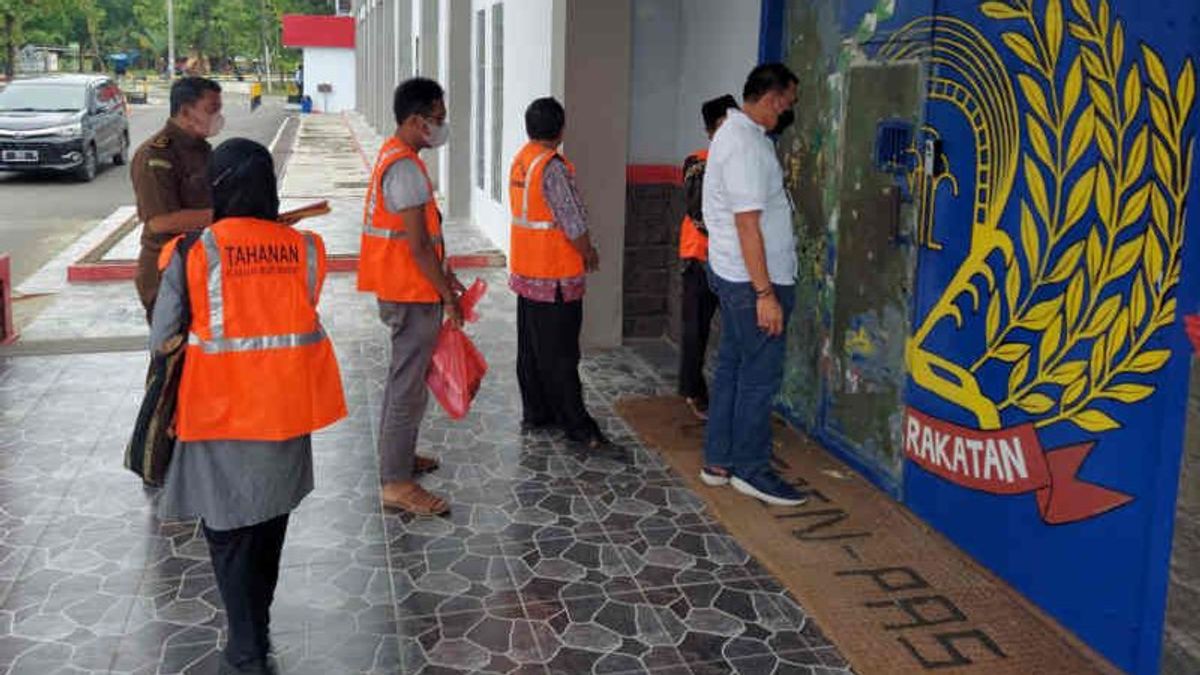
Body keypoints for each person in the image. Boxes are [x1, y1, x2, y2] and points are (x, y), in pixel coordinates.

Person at [151, 138, 347, 674]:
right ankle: (255, 632)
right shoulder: (306, 249)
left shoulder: (195, 251)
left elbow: (161, 338)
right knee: (267, 532)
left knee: (230, 536)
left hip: (218, 418)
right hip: (285, 414)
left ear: (218, 185)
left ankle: (245, 649)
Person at [700, 63, 806, 506]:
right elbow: (748, 226)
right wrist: (765, 295)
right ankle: (751, 468)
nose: (788, 111)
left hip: (737, 276)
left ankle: (719, 460)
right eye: (789, 101)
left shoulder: (736, 134)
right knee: (759, 377)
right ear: (771, 97)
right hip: (751, 283)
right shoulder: (744, 145)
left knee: (734, 368)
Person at [358, 77, 462, 516]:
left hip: (409, 285)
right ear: (417, 121)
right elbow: (416, 246)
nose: (442, 126)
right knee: (407, 387)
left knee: (406, 382)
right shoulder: (403, 166)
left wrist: (446, 274)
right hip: (410, 291)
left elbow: (424, 241)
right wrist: (447, 296)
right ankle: (396, 483)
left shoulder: (398, 157)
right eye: (438, 119)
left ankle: (398, 461)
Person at [509, 97, 608, 449]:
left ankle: (537, 411)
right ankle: (578, 426)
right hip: (554, 279)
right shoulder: (551, 167)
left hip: (528, 274)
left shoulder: (523, 161)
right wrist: (589, 252)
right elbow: (572, 222)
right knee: (562, 355)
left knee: (532, 351)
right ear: (561, 130)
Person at [131, 76, 223, 321]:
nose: (218, 117)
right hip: (167, 274)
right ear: (185, 111)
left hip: (198, 267)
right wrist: (229, 214)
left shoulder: (201, 149)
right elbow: (160, 222)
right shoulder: (157, 155)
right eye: (211, 110)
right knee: (172, 355)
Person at [678, 94, 739, 420]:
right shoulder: (698, 162)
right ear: (712, 130)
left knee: (734, 330)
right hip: (701, 258)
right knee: (695, 328)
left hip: (734, 262)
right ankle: (693, 390)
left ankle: (728, 394)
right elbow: (700, 213)